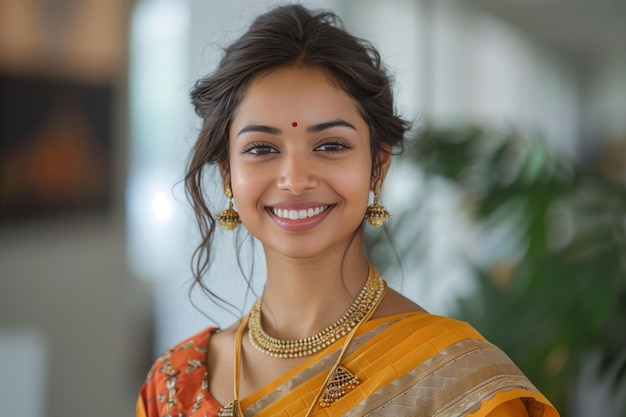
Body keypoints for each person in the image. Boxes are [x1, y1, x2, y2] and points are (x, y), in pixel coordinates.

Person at [137, 4, 559, 417]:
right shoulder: (174, 386)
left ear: (378, 166)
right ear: (228, 174)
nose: (296, 179)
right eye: (262, 148)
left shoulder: (456, 382)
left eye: (331, 146)